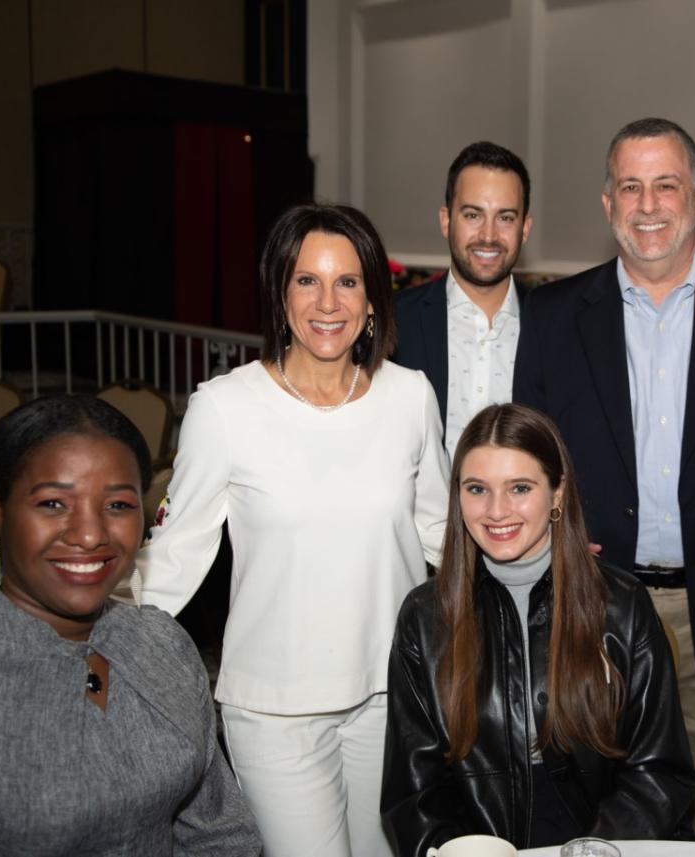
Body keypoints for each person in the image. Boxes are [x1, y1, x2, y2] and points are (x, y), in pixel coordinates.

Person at [513, 117, 695, 839]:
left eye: (666, 185)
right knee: (593, 813)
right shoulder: (552, 315)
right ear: (608, 203)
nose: (649, 205)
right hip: (593, 610)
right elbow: (531, 464)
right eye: (630, 187)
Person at [138, 203, 449, 857]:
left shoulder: (411, 397)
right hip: (273, 710)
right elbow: (177, 556)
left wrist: (542, 559)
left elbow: (441, 530)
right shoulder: (224, 409)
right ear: (280, 297)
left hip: (388, 697)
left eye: (347, 281)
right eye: (306, 280)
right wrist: (74, 631)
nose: (326, 301)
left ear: (372, 300)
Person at [0, 395, 262, 856]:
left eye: (117, 505)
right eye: (54, 503)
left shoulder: (162, 644)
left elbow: (221, 833)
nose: (91, 534)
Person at [381, 403, 695, 855]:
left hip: (607, 840)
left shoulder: (621, 604)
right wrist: (450, 848)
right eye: (477, 489)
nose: (496, 511)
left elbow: (661, 773)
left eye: (520, 488)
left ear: (557, 493)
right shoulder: (424, 616)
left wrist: (591, 850)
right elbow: (413, 792)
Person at [392, 141, 534, 459]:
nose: (488, 235)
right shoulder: (395, 323)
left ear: (525, 228)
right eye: (473, 214)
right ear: (446, 221)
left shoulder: (554, 326)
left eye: (505, 218)